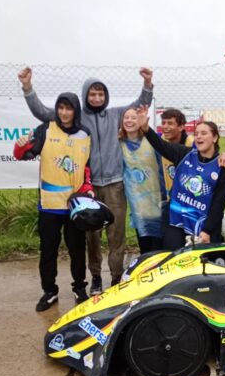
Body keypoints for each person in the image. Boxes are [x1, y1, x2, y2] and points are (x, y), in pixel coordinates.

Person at [17, 67, 154, 295]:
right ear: (85, 96)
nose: (97, 98)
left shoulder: (115, 114)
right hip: (87, 189)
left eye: (101, 94)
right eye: (92, 94)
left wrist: (147, 84)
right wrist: (28, 87)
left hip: (114, 185)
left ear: (106, 97)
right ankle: (96, 278)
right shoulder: (77, 117)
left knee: (116, 235)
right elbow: (41, 112)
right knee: (91, 237)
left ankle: (117, 278)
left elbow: (140, 104)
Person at [13, 93, 93, 311]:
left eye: (69, 108)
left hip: (75, 206)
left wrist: (87, 189)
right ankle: (49, 291)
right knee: (48, 250)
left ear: (76, 111)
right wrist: (20, 146)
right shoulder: (45, 129)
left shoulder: (85, 133)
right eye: (61, 108)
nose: (64, 113)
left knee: (77, 250)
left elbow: (87, 167)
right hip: (50, 205)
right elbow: (23, 154)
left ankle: (79, 288)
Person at [141, 112, 225, 250]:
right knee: (173, 255)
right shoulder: (184, 153)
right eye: (196, 133)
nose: (199, 136)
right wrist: (146, 130)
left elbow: (219, 203)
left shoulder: (222, 165)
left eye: (204, 133)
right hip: (176, 221)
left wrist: (206, 231)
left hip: (204, 226)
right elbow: (161, 145)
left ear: (215, 138)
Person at [118, 107, 168, 254]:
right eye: (126, 117)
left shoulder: (152, 140)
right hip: (138, 203)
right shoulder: (119, 143)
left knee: (157, 244)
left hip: (156, 198)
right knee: (144, 242)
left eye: (133, 117)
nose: (129, 121)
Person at [160, 108, 194, 192]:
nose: (165, 127)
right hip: (168, 193)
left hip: (188, 194)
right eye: (163, 123)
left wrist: (223, 155)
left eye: (170, 123)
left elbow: (210, 154)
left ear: (181, 127)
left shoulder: (192, 143)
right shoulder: (161, 139)